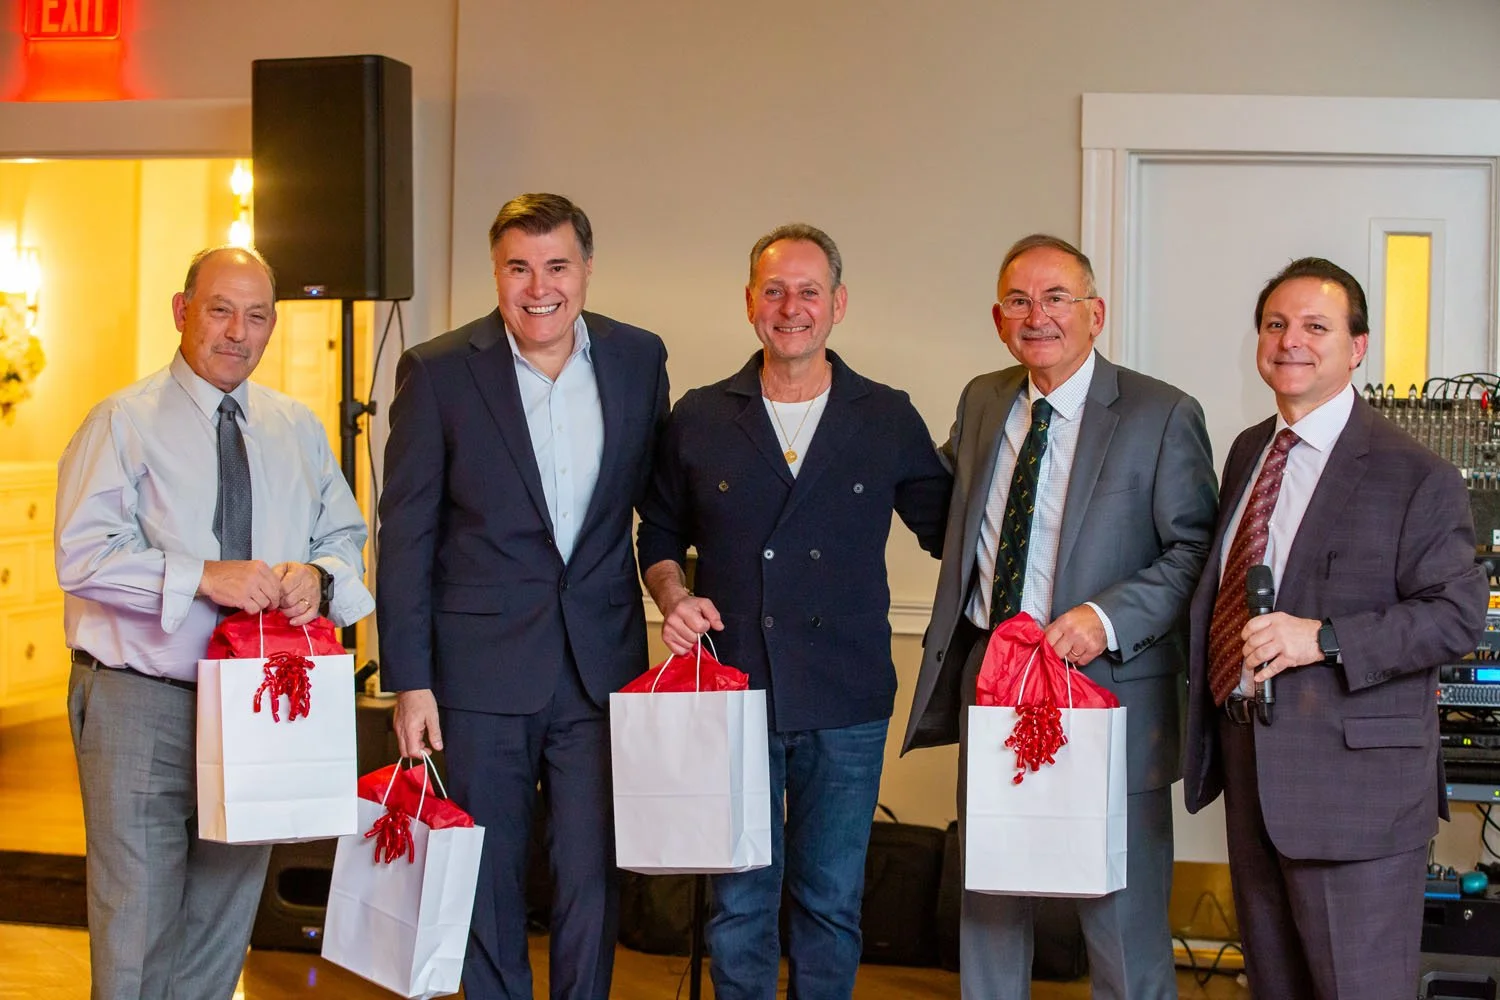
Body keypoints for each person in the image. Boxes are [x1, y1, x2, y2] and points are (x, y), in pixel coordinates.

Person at [638, 223, 951, 999]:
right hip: (732, 692)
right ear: (750, 303)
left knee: (830, 902)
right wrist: (674, 596)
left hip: (846, 699)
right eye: (774, 290)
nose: (791, 307)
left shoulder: (884, 415)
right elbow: (660, 533)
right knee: (740, 903)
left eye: (809, 290)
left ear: (837, 304)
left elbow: (953, 527)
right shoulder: (703, 415)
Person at [54, 246, 374, 999]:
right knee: (135, 924)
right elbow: (81, 555)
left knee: (223, 921)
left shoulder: (296, 428)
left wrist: (318, 579)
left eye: (256, 315)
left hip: (261, 702)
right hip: (142, 700)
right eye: (220, 310)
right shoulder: (121, 422)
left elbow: (344, 538)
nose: (238, 331)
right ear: (182, 312)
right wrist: (203, 576)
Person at [903, 233, 1217, 999]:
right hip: (997, 677)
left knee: (1119, 911)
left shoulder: (1161, 413)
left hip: (1110, 690)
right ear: (997, 316)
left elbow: (1195, 550)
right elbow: (946, 507)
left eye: (1056, 298)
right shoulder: (984, 400)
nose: (1036, 316)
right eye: (1018, 300)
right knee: (992, 896)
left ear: (1095, 312)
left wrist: (1104, 617)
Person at [377, 193, 669, 1000]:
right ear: (496, 274)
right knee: (486, 880)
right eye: (518, 267)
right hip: (476, 679)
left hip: (600, 668)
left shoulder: (639, 357)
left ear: (586, 270)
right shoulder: (438, 370)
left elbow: (658, 501)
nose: (538, 287)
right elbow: (404, 535)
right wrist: (410, 680)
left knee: (591, 877)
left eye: (556, 266)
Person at [1181, 257, 1487, 1000]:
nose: (1291, 341)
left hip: (1357, 795)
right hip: (1252, 764)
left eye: (1316, 326)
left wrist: (1323, 638)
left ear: (1358, 346)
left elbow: (1456, 616)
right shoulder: (1252, 449)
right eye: (1275, 324)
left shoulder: (1415, 474)